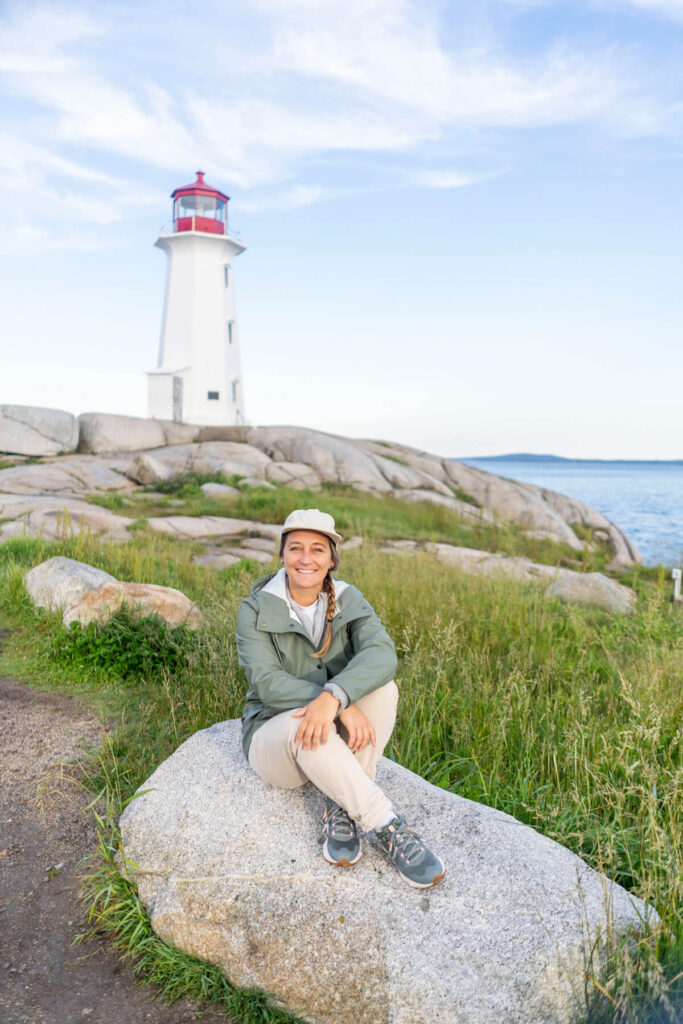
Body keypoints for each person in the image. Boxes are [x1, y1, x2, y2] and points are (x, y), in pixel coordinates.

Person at [236, 507, 445, 889]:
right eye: (295, 548)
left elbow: (382, 654)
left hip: (329, 721)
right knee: (307, 719)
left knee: (384, 689)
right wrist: (335, 702)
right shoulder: (254, 609)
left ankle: (341, 805)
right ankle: (386, 824)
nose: (305, 558)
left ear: (332, 559)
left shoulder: (348, 599)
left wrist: (336, 696)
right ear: (282, 555)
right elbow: (266, 683)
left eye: (318, 549)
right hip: (275, 738)